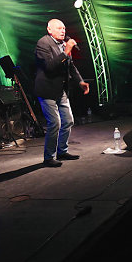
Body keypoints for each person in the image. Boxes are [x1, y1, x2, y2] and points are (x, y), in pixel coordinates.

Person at [34, 19, 89, 167]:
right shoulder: (43, 43)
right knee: (55, 123)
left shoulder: (64, 44)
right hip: (46, 90)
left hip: (60, 90)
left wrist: (80, 82)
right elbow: (50, 67)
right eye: (59, 28)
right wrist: (66, 51)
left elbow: (71, 67)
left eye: (64, 28)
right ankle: (49, 157)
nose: (63, 31)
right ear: (49, 30)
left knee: (68, 120)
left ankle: (62, 151)